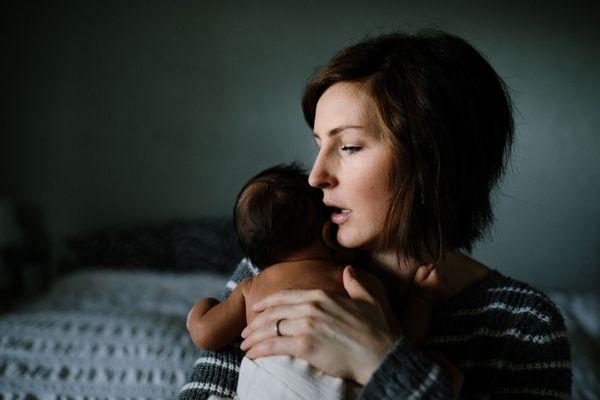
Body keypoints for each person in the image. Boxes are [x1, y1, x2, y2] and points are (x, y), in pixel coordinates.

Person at [179, 29, 571, 400]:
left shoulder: (524, 324)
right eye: (318, 144)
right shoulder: (273, 267)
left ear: (431, 160)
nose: (316, 176)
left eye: (348, 146)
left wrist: (381, 361)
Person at [186, 163, 463, 399]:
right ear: (331, 233)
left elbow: (205, 335)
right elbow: (400, 349)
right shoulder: (356, 280)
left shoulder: (252, 286)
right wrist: (422, 299)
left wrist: (205, 305)